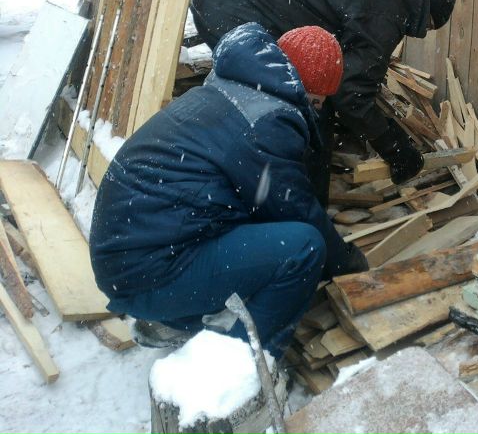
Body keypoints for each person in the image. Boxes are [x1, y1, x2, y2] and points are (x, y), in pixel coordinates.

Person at [89, 23, 368, 354]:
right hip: (152, 272)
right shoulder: (267, 121)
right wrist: (349, 265)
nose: (316, 112)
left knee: (257, 226)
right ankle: (239, 370)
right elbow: (298, 210)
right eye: (318, 103)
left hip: (127, 260)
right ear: (305, 90)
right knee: (302, 249)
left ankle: (175, 319)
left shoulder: (230, 89)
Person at [190, 0, 456, 191]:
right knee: (295, 105)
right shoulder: (388, 12)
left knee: (303, 99)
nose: (419, 32)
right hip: (234, 6)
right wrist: (395, 148)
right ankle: (295, 202)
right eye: (428, 27)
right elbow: (349, 93)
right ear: (425, 14)